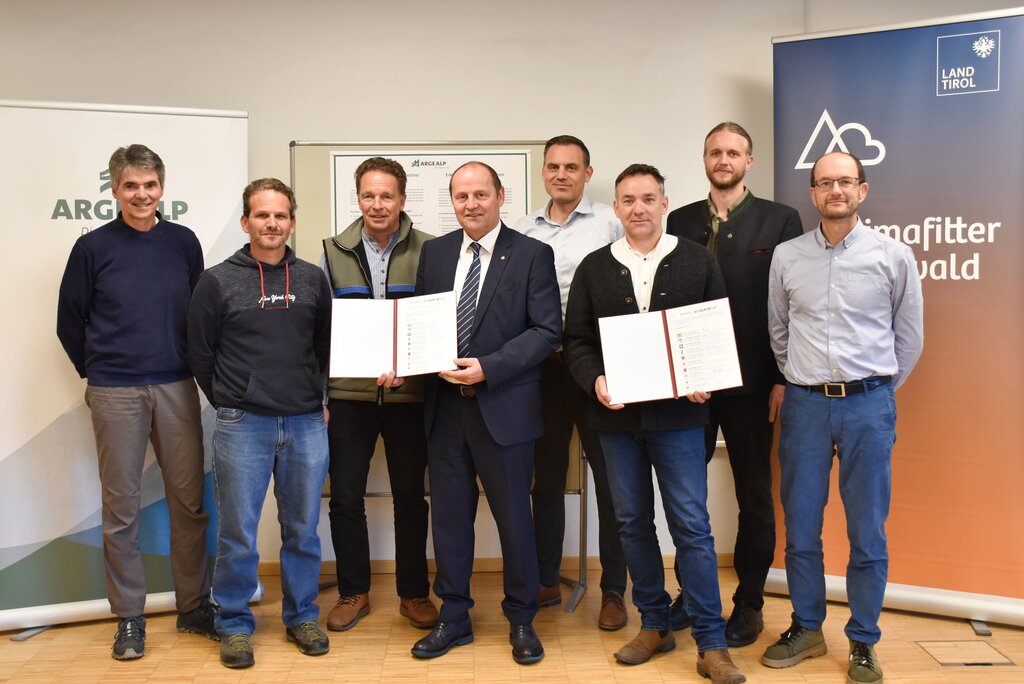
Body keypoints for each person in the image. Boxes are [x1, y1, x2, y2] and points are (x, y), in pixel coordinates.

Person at [564, 164, 746, 684]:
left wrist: (705, 377)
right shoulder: (595, 268)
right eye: (628, 200)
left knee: (692, 527)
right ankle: (655, 624)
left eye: (648, 198)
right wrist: (595, 379)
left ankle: (711, 643)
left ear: (664, 203)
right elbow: (576, 341)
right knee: (631, 523)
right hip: (616, 419)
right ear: (616, 208)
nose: (638, 208)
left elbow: (716, 330)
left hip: (680, 419)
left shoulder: (696, 260)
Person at [762, 152, 924, 684]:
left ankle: (863, 641)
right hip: (806, 405)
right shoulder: (787, 256)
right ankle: (807, 627)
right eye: (825, 183)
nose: (836, 190)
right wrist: (805, 380)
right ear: (812, 193)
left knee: (866, 531)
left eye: (845, 182)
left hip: (868, 408)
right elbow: (778, 332)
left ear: (863, 190)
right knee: (802, 527)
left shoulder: (893, 256)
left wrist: (872, 391)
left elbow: (909, 338)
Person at [56, 144, 214, 660]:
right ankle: (129, 618)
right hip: (114, 390)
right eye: (130, 186)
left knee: (188, 505)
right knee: (121, 508)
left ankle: (194, 607)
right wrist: (99, 370)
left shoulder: (183, 242)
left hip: (175, 386)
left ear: (161, 188)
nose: (141, 195)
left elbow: (197, 316)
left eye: (149, 185)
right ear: (115, 190)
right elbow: (69, 322)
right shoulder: (93, 248)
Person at [410, 161, 562, 664]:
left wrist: (489, 368)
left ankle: (521, 617)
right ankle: (454, 617)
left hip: (505, 408)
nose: (470, 204)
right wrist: (400, 361)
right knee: (450, 521)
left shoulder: (533, 254)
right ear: (451, 202)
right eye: (461, 196)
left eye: (480, 194)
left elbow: (546, 331)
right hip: (445, 411)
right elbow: (420, 325)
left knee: (516, 518)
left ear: (501, 196)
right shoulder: (433, 254)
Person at [187, 178, 333, 669]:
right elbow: (200, 353)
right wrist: (230, 399)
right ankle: (232, 623)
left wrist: (319, 397)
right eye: (262, 215)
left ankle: (302, 617)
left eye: (281, 215)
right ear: (246, 222)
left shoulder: (313, 278)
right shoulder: (216, 281)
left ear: (292, 221)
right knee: (239, 533)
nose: (273, 224)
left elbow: (324, 346)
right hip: (242, 422)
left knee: (302, 530)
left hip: (306, 422)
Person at [666, 122, 803, 646]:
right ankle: (693, 595)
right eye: (714, 152)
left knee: (754, 494)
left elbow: (793, 303)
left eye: (733, 152)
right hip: (688, 385)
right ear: (704, 158)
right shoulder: (678, 220)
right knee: (685, 495)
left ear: (749, 161)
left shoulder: (779, 219)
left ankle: (748, 602)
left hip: (753, 384)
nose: (723, 159)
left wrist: (783, 379)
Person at [511, 135, 629, 630]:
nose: (562, 174)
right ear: (543, 172)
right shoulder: (519, 229)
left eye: (572, 167)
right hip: (542, 368)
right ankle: (544, 578)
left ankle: (614, 591)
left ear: (587, 172)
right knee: (548, 477)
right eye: (554, 166)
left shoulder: (610, 222)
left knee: (612, 481)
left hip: (599, 365)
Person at [320, 157, 437, 633]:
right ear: (358, 199)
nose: (377, 204)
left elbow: (436, 324)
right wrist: (322, 395)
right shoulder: (330, 251)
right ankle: (354, 592)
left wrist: (409, 367)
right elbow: (322, 328)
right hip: (349, 396)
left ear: (403, 200)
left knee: (412, 496)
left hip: (412, 397)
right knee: (345, 496)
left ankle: (414, 593)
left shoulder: (432, 249)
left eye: (386, 195)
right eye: (368, 195)